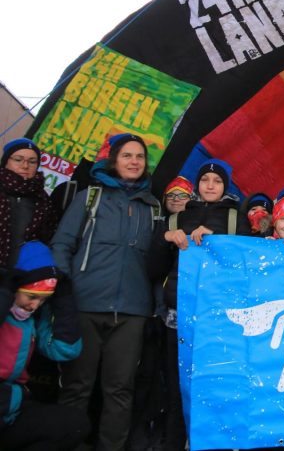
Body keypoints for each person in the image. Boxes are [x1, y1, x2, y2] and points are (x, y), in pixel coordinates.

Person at [50, 133, 161, 451]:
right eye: (127, 155)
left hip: (132, 312)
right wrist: (65, 292)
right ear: (114, 160)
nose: (134, 162)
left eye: (139, 157)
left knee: (120, 390)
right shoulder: (91, 196)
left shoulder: (152, 207)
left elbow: (156, 264)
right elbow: (62, 244)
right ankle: (66, 445)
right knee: (76, 387)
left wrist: (152, 305)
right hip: (85, 305)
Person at [150, 158, 246, 451]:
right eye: (205, 180)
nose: (210, 185)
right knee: (178, 385)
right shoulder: (175, 219)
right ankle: (174, 442)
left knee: (218, 382)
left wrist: (219, 245)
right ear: (197, 185)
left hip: (220, 318)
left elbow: (247, 266)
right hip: (178, 314)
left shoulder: (236, 219)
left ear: (225, 186)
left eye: (217, 182)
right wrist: (164, 238)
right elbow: (154, 269)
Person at [0, 242, 89, 450]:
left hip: (10, 409)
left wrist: (63, 298)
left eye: (42, 300)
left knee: (73, 425)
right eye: (31, 297)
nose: (34, 305)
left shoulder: (31, 319)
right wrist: (5, 291)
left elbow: (65, 349)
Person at [0, 138, 59, 269]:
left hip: (24, 276)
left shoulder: (44, 200)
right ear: (5, 162)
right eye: (18, 159)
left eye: (32, 161)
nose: (25, 166)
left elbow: (49, 239)